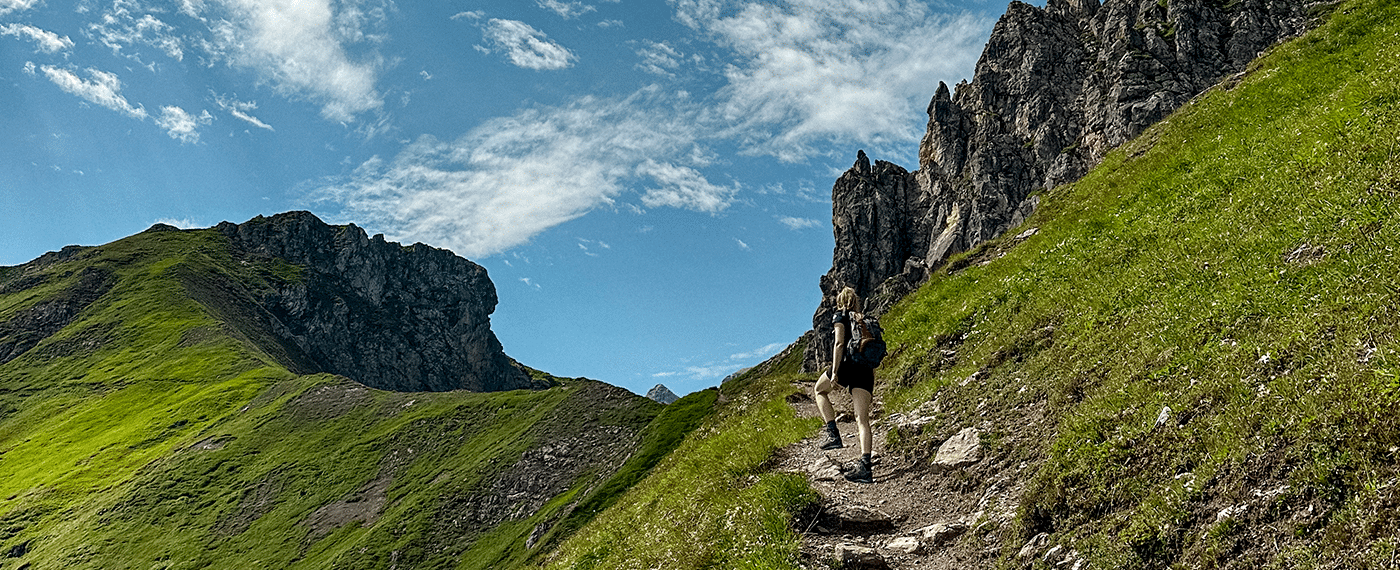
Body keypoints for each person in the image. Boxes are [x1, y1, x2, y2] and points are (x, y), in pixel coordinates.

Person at [813, 286, 875, 484]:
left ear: (841, 301)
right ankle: (865, 467)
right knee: (862, 419)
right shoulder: (865, 319)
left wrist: (835, 372)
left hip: (846, 364)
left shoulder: (840, 315)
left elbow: (839, 343)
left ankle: (833, 433)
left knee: (819, 390)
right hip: (865, 369)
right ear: (855, 300)